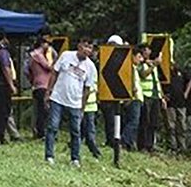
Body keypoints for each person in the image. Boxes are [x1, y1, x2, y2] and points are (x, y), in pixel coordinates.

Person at [44, 37, 98, 166]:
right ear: (79, 46)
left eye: (90, 48)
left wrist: (82, 107)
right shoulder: (66, 56)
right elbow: (54, 73)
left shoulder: (90, 67)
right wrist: (49, 91)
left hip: (75, 102)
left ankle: (75, 158)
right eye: (85, 46)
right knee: (53, 126)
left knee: (75, 131)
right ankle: (49, 155)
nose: (87, 50)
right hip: (58, 97)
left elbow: (87, 89)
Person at [137, 43, 164, 152]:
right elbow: (143, 75)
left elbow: (157, 81)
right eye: (147, 50)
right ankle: (142, 145)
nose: (149, 52)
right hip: (146, 96)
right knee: (145, 121)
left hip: (155, 96)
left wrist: (161, 96)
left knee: (154, 122)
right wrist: (153, 66)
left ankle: (150, 145)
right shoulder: (141, 64)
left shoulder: (153, 65)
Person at [100, 34, 125, 146]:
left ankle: (116, 140)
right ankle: (111, 141)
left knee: (118, 119)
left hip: (118, 94)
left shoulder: (123, 59)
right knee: (109, 120)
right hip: (106, 94)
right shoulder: (103, 58)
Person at [28, 37, 54, 139]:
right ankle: (42, 133)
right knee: (43, 110)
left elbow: (28, 71)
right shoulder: (38, 55)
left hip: (36, 84)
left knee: (39, 110)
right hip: (43, 85)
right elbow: (48, 66)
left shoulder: (31, 56)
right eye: (47, 44)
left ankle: (39, 131)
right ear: (42, 44)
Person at [121, 48, 145, 150]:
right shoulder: (129, 68)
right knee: (133, 121)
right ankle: (124, 140)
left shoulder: (134, 68)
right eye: (139, 57)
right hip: (134, 98)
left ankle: (129, 143)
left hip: (137, 98)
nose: (141, 59)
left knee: (133, 121)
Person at [166, 64, 188, 153]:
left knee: (182, 125)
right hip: (170, 103)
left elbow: (190, 80)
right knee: (171, 125)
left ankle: (182, 146)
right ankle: (172, 145)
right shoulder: (165, 73)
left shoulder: (181, 73)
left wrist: (186, 93)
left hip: (181, 103)